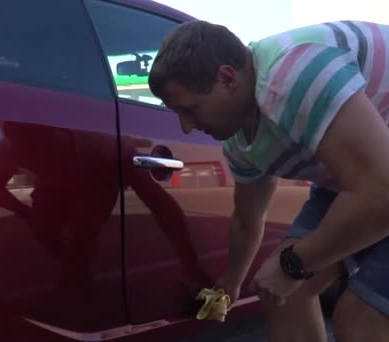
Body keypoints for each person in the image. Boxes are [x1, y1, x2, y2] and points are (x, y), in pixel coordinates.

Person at [148, 20, 389, 341]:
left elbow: (382, 194)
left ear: (226, 78)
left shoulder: (296, 74)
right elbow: (247, 220)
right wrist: (231, 282)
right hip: (363, 174)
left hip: (381, 180)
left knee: (361, 318)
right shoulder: (240, 143)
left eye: (190, 109)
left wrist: (293, 265)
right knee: (279, 293)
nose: (186, 127)